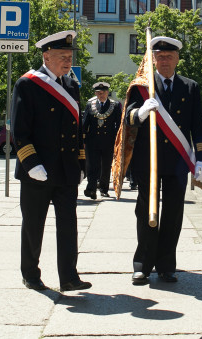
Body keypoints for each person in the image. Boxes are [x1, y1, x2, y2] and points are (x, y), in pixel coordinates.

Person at [11, 30, 92, 292]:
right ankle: (31, 274)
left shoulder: (72, 86)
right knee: (34, 225)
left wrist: (81, 164)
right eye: (62, 56)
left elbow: (78, 130)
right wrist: (31, 163)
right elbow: (19, 131)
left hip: (66, 170)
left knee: (68, 225)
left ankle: (69, 276)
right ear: (46, 56)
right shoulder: (28, 84)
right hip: (38, 170)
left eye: (70, 56)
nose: (68, 61)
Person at [125, 36, 202, 284]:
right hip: (147, 161)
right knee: (146, 212)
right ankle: (142, 264)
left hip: (177, 162)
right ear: (153, 59)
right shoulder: (142, 87)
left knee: (173, 214)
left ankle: (166, 265)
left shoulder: (190, 87)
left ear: (177, 59)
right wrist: (140, 113)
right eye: (160, 57)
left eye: (169, 57)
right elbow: (127, 119)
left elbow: (197, 126)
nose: (164, 61)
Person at [83, 82, 122, 199]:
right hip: (92, 141)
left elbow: (119, 124)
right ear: (95, 93)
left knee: (105, 166)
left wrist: (117, 140)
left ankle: (104, 189)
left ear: (107, 93)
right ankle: (91, 189)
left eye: (104, 92)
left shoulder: (114, 105)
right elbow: (85, 123)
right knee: (92, 166)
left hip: (108, 141)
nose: (102, 95)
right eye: (99, 93)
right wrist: (83, 140)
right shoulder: (90, 104)